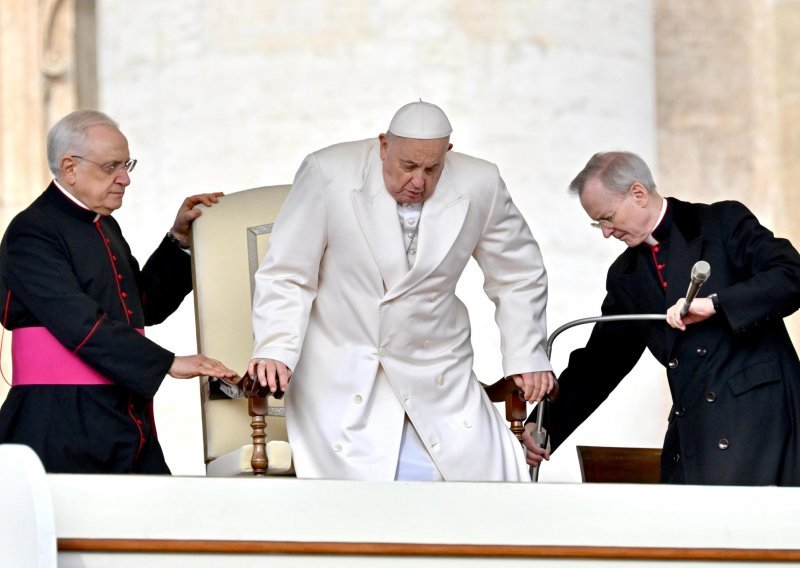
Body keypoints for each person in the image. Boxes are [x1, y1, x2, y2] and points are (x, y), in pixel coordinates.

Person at [248, 101, 554, 481]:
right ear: (383, 146)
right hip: (346, 368)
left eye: (432, 169)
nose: (418, 182)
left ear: (449, 155)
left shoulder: (482, 182)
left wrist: (526, 354)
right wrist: (276, 346)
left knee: (478, 481)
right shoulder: (328, 171)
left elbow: (518, 273)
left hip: (439, 370)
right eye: (408, 167)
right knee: (374, 494)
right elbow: (288, 273)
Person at [522, 150, 800, 485]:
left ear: (638, 193)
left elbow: (791, 275)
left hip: (761, 422)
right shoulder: (627, 274)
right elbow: (601, 362)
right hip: (695, 425)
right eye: (598, 223)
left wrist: (716, 304)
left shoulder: (721, 223)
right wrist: (546, 425)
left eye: (607, 217)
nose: (606, 233)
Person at [0, 109, 237, 474]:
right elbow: (79, 322)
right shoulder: (31, 231)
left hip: (122, 415)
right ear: (70, 168)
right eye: (111, 167)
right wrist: (168, 362)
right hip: (60, 421)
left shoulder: (105, 226)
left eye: (127, 165)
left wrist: (179, 242)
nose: (124, 179)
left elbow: (143, 306)